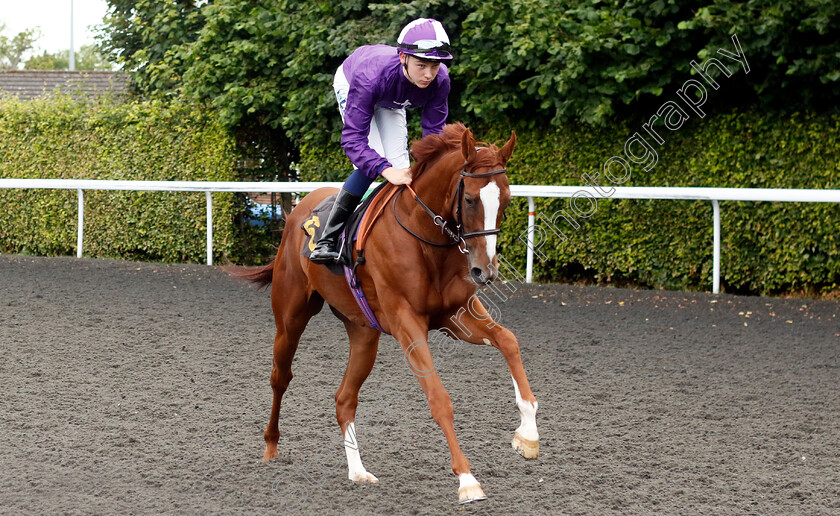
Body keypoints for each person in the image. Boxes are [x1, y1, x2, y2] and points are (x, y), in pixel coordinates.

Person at [309, 18, 453, 264]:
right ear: (403, 57)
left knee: (403, 166)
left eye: (435, 65)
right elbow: (353, 140)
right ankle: (326, 240)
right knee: (371, 164)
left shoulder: (441, 81)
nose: (429, 74)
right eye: (421, 65)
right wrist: (383, 169)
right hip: (355, 81)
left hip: (391, 100)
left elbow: (434, 135)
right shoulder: (369, 78)